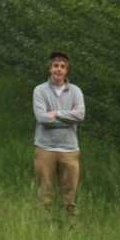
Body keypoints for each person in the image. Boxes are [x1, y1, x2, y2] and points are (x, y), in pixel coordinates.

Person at [32, 50, 85, 219]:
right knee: (44, 194)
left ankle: (68, 226)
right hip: (45, 148)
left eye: (62, 66)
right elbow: (42, 118)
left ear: (66, 70)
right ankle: (43, 226)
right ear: (50, 68)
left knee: (69, 195)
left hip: (69, 149)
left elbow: (80, 115)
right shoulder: (40, 90)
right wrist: (69, 119)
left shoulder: (75, 91)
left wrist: (55, 114)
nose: (59, 69)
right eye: (55, 66)